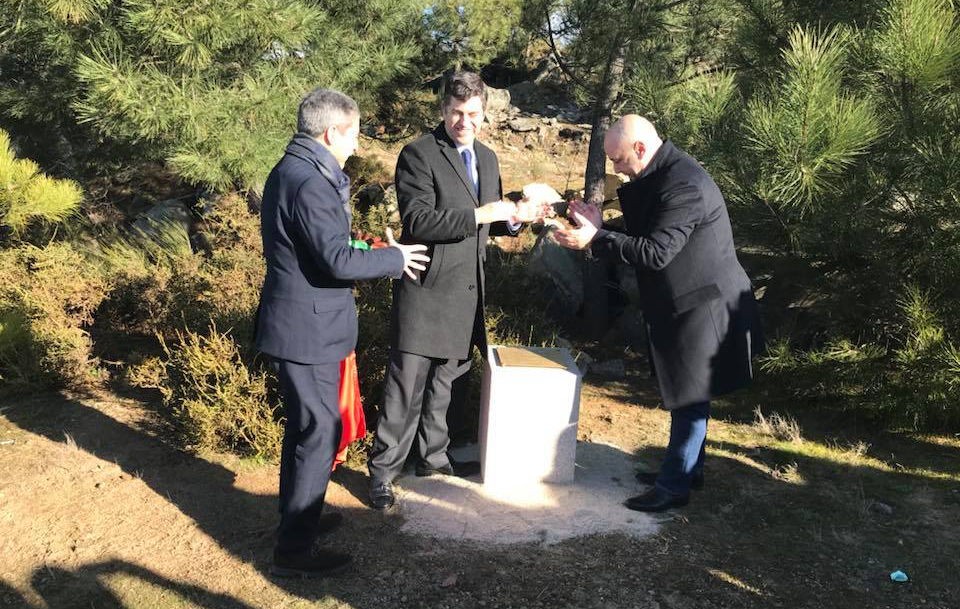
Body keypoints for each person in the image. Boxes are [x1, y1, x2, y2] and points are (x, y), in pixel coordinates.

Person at [255, 88, 429, 576]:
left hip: (303, 326)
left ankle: (300, 520)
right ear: (332, 132)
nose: (356, 144)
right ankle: (293, 551)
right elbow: (334, 260)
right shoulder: (309, 181)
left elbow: (324, 246)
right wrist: (396, 259)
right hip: (305, 331)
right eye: (354, 134)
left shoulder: (293, 169)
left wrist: (368, 246)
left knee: (306, 429)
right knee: (319, 431)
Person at [555, 115, 762, 512]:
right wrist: (600, 226)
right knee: (690, 393)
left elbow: (655, 251)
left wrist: (596, 238)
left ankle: (674, 486)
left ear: (639, 148)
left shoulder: (685, 184)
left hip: (705, 303)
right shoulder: (664, 171)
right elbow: (647, 229)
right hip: (690, 297)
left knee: (690, 394)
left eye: (617, 159)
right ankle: (687, 470)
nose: (615, 169)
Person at [367, 71, 546, 509]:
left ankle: (433, 459)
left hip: (467, 292)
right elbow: (420, 221)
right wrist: (482, 213)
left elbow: (493, 220)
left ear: (485, 114)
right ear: (442, 110)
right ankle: (383, 474)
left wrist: (517, 216)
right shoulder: (418, 154)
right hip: (426, 289)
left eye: (472, 114)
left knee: (446, 386)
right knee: (405, 389)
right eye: (455, 113)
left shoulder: (487, 157)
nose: (464, 122)